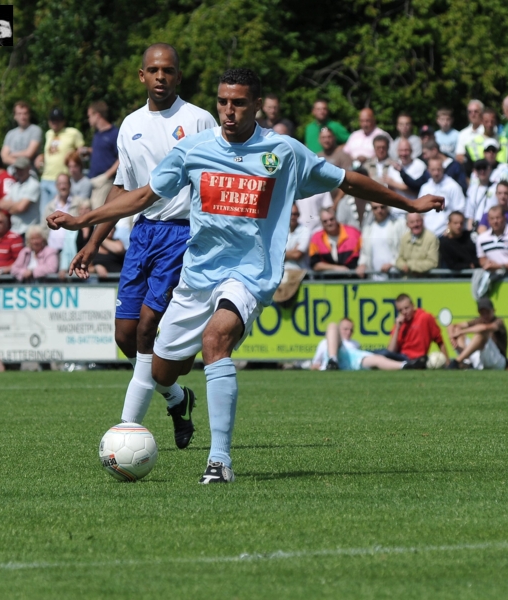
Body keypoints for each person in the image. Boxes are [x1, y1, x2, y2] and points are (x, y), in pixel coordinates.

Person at [48, 67, 444, 483]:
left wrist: (410, 204)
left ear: (257, 104)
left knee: (215, 339)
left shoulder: (284, 152)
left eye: (238, 103)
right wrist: (84, 220)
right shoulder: (194, 150)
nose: (229, 111)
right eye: (222, 102)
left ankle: (219, 462)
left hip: (250, 274)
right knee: (163, 370)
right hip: (198, 274)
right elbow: (144, 195)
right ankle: (180, 400)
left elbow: (349, 181)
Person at [65, 44, 217, 445]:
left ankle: (125, 431)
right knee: (124, 335)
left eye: (168, 70)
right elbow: (123, 188)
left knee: (149, 327)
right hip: (143, 233)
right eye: (153, 70)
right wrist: (94, 242)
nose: (161, 77)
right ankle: (177, 399)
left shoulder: (199, 120)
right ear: (142, 75)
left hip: (183, 234)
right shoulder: (130, 124)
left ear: (178, 76)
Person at [36, 108, 85, 212]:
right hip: (45, 177)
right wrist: (41, 157)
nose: (55, 122)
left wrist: (73, 155)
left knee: (58, 211)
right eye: (52, 120)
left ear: (63, 121)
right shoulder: (48, 134)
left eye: (58, 120)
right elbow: (51, 152)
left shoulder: (72, 133)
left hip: (61, 179)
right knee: (44, 212)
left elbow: (82, 151)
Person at [321, 321, 421, 371]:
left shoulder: (355, 343)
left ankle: (405, 365)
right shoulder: (325, 342)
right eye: (345, 329)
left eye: (351, 330)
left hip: (353, 360)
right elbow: (316, 363)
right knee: (332, 325)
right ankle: (333, 360)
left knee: (378, 358)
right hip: (336, 354)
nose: (348, 332)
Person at [378, 293, 447, 363]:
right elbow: (391, 351)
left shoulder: (425, 318)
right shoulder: (400, 323)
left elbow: (440, 342)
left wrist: (447, 363)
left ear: (413, 305)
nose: (404, 312)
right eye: (400, 310)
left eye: (406, 308)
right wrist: (397, 328)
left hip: (417, 359)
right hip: (401, 357)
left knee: (380, 355)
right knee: (375, 353)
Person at [447, 298, 507, 370]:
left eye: (487, 312)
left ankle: (457, 361)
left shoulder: (499, 321)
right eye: (482, 313)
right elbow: (453, 326)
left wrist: (462, 331)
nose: (485, 315)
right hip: (482, 357)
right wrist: (451, 337)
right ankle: (467, 362)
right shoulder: (479, 320)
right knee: (457, 330)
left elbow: (484, 328)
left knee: (481, 334)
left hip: (498, 361)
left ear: (493, 311)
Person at [316, 127, 359, 228]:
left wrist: (335, 203)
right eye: (323, 137)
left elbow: (348, 182)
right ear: (319, 140)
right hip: (322, 203)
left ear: (334, 138)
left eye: (329, 137)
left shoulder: (343, 156)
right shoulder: (317, 157)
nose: (326, 140)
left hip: (342, 201)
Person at [356, 203, 406, 279]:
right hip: (374, 278)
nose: (379, 210)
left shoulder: (398, 224)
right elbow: (364, 252)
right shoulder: (368, 227)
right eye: (375, 208)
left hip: (396, 276)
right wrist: (362, 264)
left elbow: (405, 249)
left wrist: (392, 263)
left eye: (382, 207)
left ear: (387, 207)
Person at [85, 101, 120, 209]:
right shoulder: (97, 134)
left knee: (100, 216)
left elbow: (121, 158)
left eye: (90, 116)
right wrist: (89, 151)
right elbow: (103, 152)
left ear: (97, 115)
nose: (89, 119)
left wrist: (107, 176)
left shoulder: (114, 133)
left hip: (105, 181)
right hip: (92, 179)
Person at [418, 157, 465, 236]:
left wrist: (449, 230)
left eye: (438, 169)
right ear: (428, 170)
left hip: (445, 235)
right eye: (433, 170)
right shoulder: (425, 188)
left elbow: (459, 210)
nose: (436, 173)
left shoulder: (453, 186)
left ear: (443, 169)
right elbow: (420, 212)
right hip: (427, 234)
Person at [308, 208, 362, 275]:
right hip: (328, 280)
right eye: (325, 221)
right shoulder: (316, 238)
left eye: (331, 219)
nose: (329, 223)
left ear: (336, 218)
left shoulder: (353, 233)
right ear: (321, 223)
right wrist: (336, 268)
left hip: (353, 278)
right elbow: (315, 264)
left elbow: (364, 255)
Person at [476, 205, 508, 272]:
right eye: (492, 218)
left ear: (504, 218)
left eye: (498, 218)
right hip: (491, 279)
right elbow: (482, 260)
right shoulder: (481, 238)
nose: (495, 221)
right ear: (488, 220)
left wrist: (498, 267)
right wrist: (488, 264)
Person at [0, 157, 40, 237]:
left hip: (29, 231)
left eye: (21, 169)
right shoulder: (15, 186)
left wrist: (10, 206)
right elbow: (1, 204)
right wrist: (16, 206)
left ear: (28, 168)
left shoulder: (34, 184)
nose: (19, 171)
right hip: (15, 231)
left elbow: (21, 208)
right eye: (17, 169)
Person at [42, 173, 81, 250]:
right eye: (60, 184)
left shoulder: (79, 203)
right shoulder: (49, 206)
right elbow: (44, 228)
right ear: (56, 186)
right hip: (52, 248)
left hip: (72, 249)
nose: (62, 187)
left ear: (70, 185)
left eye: (65, 183)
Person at [1, 101, 42, 169]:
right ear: (15, 116)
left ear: (29, 115)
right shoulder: (10, 134)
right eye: (19, 114)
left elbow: (29, 154)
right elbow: (4, 157)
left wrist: (11, 154)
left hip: (29, 173)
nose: (22, 117)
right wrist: (19, 163)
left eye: (25, 113)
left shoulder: (35, 130)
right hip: (11, 174)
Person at [464, 159, 497, 228]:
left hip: (491, 226)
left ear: (489, 169)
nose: (482, 171)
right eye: (479, 168)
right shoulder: (471, 190)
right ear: (475, 171)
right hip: (476, 226)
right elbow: (470, 215)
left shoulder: (496, 188)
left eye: (484, 168)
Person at [455, 100, 485, 165]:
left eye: (476, 111)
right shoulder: (463, 134)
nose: (473, 114)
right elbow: (459, 156)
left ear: (482, 113)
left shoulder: (488, 130)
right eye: (470, 112)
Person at [284, 204, 310, 271]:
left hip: (300, 272)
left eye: (295, 214)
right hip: (283, 272)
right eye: (290, 214)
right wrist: (293, 251)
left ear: (299, 215)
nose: (293, 217)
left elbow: (297, 255)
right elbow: (274, 254)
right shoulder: (281, 231)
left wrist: (281, 253)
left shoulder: (305, 231)